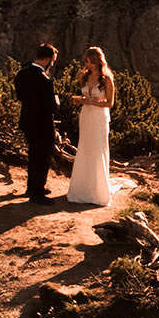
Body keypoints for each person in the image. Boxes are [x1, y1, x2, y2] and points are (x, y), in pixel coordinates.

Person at [67, 46, 115, 206]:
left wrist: (90, 102)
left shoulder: (107, 79)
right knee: (85, 149)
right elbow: (85, 97)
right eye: (86, 61)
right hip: (86, 116)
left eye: (90, 61)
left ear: (97, 61)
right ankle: (82, 189)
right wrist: (80, 100)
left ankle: (98, 191)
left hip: (99, 117)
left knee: (97, 149)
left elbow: (110, 103)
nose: (87, 64)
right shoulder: (85, 76)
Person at [13, 44, 59, 203]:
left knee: (33, 155)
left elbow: (19, 96)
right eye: (53, 60)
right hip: (43, 123)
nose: (52, 64)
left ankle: (31, 187)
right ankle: (37, 193)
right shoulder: (45, 79)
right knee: (43, 157)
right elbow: (51, 107)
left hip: (27, 120)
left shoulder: (21, 73)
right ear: (47, 59)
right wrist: (57, 103)